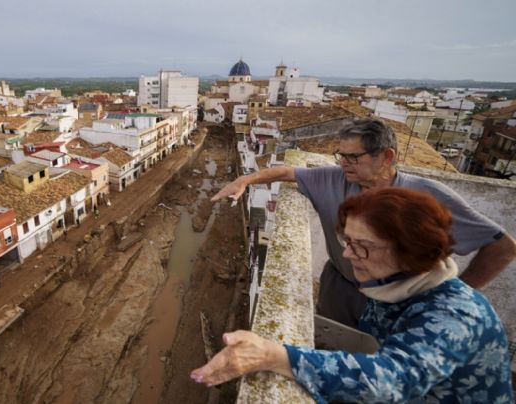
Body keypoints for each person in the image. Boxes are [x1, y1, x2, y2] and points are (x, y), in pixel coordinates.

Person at [192, 188, 513, 403]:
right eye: (347, 240)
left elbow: (391, 381)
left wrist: (275, 356)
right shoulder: (393, 282)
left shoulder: (455, 316)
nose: (348, 254)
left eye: (362, 245)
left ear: (409, 251)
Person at [212, 118, 516, 327]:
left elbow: (502, 247)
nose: (343, 163)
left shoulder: (426, 196)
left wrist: (459, 293)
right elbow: (286, 172)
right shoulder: (333, 178)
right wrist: (245, 180)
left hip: (401, 303)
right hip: (340, 291)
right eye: (340, 155)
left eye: (353, 157)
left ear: (386, 157)